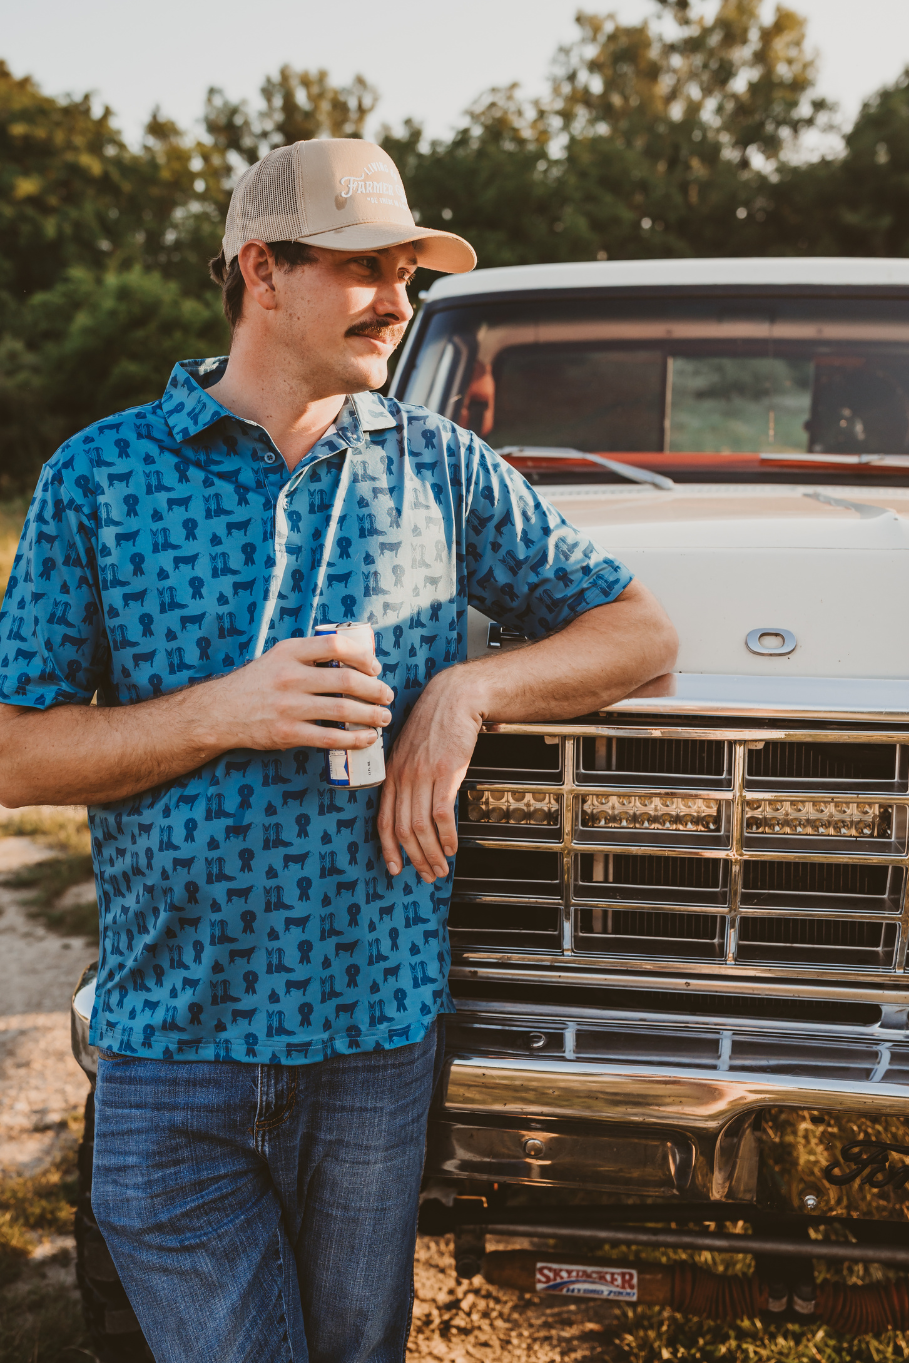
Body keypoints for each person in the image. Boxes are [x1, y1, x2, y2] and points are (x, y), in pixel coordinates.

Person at [0, 137, 677, 1362]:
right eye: (367, 268)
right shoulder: (98, 479)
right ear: (263, 270)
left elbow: (636, 628)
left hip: (376, 1041)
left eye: (407, 271)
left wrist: (470, 689)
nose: (398, 301)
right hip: (173, 1051)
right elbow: (12, 752)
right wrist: (228, 709)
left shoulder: (441, 468)